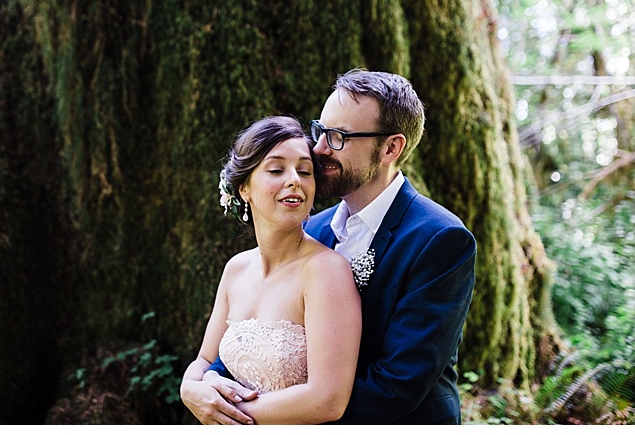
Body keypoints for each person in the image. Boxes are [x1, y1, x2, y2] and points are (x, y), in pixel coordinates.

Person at [189, 69, 477, 424]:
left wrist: (251, 417)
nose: (320, 148)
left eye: (339, 136)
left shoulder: (439, 239)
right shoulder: (313, 229)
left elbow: (397, 385)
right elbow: (248, 337)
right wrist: (197, 386)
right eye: (321, 131)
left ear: (391, 148)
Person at [179, 115, 362, 424]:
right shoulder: (236, 269)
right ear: (244, 189)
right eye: (277, 169)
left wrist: (227, 415)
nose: (294, 180)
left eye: (304, 171)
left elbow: (327, 400)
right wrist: (189, 389)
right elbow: (206, 359)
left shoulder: (325, 271)